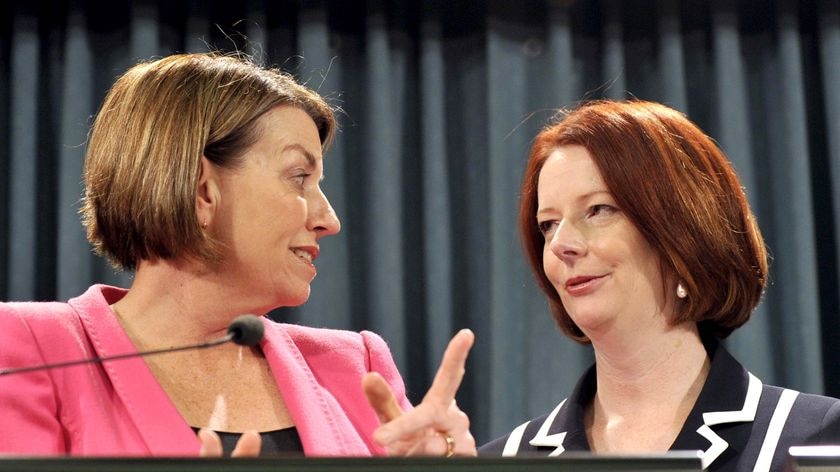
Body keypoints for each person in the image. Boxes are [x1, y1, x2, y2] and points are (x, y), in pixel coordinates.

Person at [0, 52, 474, 458]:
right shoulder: (33, 349)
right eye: (299, 177)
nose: (329, 220)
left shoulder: (355, 367)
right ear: (201, 190)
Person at [370, 100, 840, 471]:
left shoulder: (816, 438)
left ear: (684, 233)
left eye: (598, 210)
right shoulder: (505, 462)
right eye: (549, 224)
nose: (561, 246)